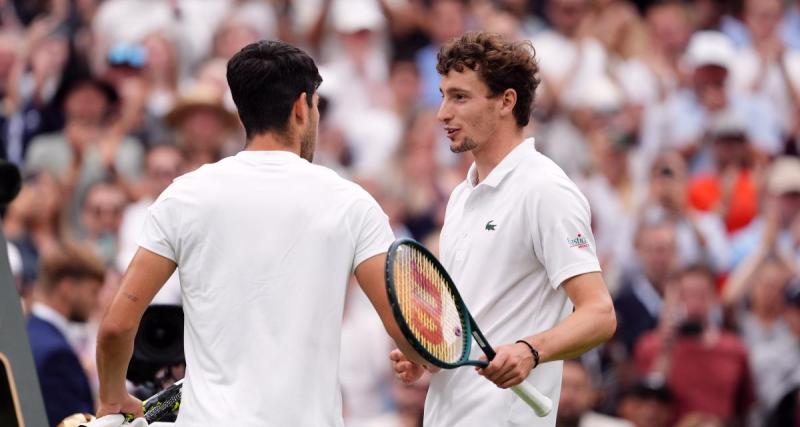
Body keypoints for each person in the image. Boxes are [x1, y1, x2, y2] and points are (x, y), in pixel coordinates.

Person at [94, 40, 423, 426]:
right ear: (302, 107)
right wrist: (413, 357)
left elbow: (117, 325)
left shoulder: (184, 196)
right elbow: (404, 327)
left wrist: (113, 395)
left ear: (242, 112)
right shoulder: (352, 203)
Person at [390, 32, 616, 426]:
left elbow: (599, 313)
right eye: (443, 95)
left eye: (460, 97)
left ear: (506, 102)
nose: (442, 112)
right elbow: (470, 320)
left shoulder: (546, 190)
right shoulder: (462, 195)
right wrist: (428, 356)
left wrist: (530, 350)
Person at [27, 242, 106, 426]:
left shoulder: (32, 332)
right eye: (93, 291)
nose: (97, 301)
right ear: (68, 288)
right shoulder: (56, 355)